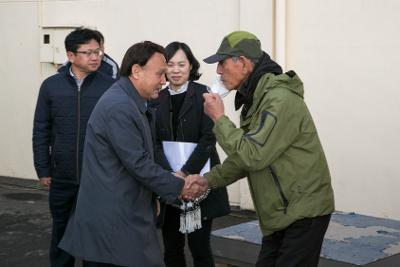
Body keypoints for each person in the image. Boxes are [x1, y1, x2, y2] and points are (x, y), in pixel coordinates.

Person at [187, 31, 335, 267]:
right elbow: (245, 155)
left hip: (303, 211)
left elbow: (253, 155)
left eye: (222, 63)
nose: (218, 72)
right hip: (282, 213)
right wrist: (208, 181)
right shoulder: (257, 98)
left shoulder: (279, 99)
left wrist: (219, 119)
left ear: (243, 63)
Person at [58, 41, 203, 267]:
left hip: (124, 213)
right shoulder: (119, 106)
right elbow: (138, 163)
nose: (164, 81)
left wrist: (156, 195)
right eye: (160, 74)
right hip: (112, 221)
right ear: (136, 71)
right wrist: (180, 186)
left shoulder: (132, 102)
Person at [32, 28, 116, 267]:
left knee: (96, 234)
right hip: (62, 175)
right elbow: (41, 129)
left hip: (98, 176)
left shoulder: (110, 86)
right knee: (61, 230)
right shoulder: (51, 86)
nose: (95, 57)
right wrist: (43, 168)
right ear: (71, 55)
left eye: (98, 51)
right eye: (87, 52)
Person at [150, 42, 230, 267]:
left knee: (200, 248)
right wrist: (170, 175)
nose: (176, 70)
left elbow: (209, 138)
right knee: (171, 248)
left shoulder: (205, 94)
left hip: (199, 183)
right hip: (168, 184)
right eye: (170, 64)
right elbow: (153, 141)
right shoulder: (156, 97)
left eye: (181, 64)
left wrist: (185, 173)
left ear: (191, 66)